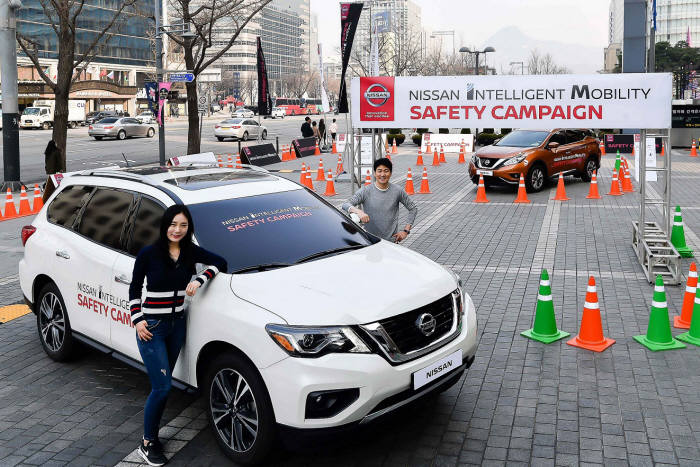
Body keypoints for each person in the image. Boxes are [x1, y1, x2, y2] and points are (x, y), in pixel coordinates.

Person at [130, 205, 227, 466]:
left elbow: (220, 262)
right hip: (152, 328)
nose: (177, 230)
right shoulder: (149, 254)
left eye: (183, 226)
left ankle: (152, 437)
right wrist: (138, 320)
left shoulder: (190, 252)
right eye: (173, 224)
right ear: (165, 225)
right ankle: (148, 442)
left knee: (163, 386)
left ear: (188, 228)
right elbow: (134, 289)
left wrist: (200, 279)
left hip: (177, 326)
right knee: (161, 387)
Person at [342, 158, 417, 243]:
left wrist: (406, 231)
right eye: (379, 171)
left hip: (391, 242)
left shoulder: (397, 191)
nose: (382, 174)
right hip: (370, 241)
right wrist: (358, 211)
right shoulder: (366, 191)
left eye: (386, 171)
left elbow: (413, 209)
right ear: (374, 173)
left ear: (390, 173)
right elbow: (345, 204)